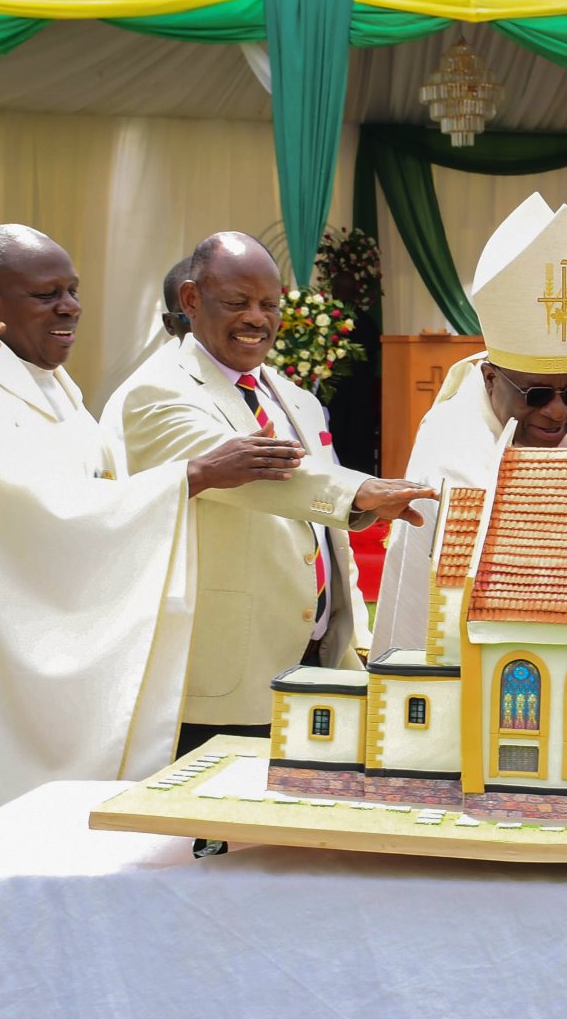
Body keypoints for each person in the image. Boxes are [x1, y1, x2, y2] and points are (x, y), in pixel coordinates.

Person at [0, 226, 311, 852]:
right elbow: (42, 522)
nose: (70, 307)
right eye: (46, 293)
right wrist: (191, 477)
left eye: (74, 291)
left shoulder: (53, 387)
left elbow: (94, 495)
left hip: (48, 644)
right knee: (1, 837)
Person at [119, 232, 434, 755]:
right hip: (229, 670)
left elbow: (322, 531)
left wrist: (347, 619)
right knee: (215, 832)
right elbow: (256, 478)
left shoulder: (293, 398)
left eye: (269, 304)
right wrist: (361, 491)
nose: (257, 319)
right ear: (192, 300)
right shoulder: (157, 391)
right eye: (237, 303)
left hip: (319, 658)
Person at [370, 194, 567, 658]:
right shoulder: (451, 442)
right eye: (537, 395)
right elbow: (507, 555)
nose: (559, 412)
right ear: (489, 378)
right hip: (472, 650)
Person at [101, 254, 199, 473]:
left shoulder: (258, 380)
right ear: (169, 324)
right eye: (191, 316)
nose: (209, 327)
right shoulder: (146, 392)